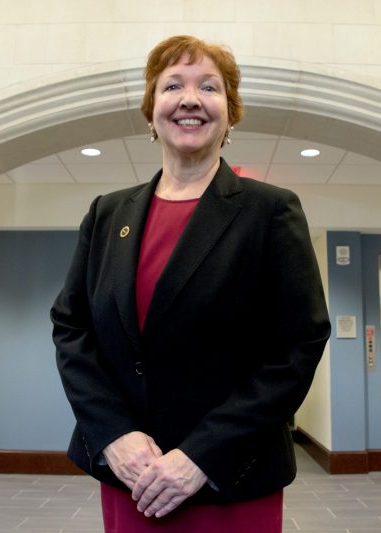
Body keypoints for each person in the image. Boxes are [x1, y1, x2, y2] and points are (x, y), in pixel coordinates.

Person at [51, 34, 331, 533]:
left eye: (209, 87)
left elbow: (297, 345)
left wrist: (200, 455)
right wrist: (113, 435)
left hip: (230, 478)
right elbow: (71, 328)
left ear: (230, 113)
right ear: (151, 111)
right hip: (130, 475)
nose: (189, 99)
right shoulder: (107, 212)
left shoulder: (270, 210)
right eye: (172, 85)